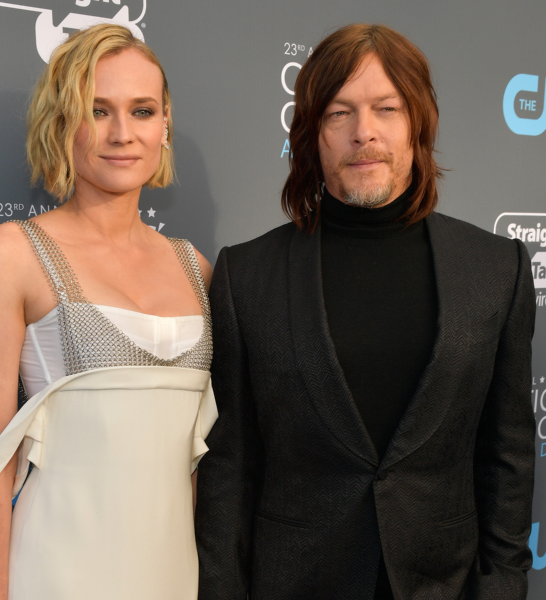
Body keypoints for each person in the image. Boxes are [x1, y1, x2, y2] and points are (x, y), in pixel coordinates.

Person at [195, 23, 535, 600]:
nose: (364, 132)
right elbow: (230, 468)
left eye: (387, 108)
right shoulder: (244, 276)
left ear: (418, 124)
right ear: (311, 133)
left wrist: (501, 588)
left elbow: (508, 457)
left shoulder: (496, 268)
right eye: (339, 113)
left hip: (444, 584)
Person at [0, 24, 217, 600]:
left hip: (173, 575)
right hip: (54, 572)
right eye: (97, 111)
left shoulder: (197, 268)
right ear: (61, 123)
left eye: (142, 111)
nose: (122, 133)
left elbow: (200, 466)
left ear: (165, 124)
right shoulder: (11, 255)